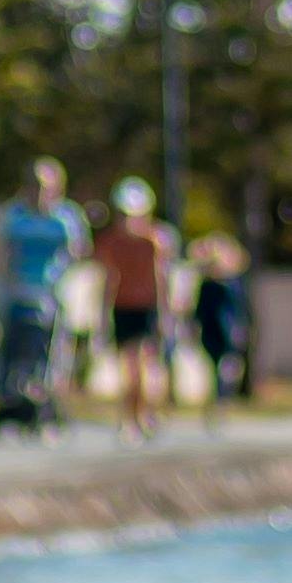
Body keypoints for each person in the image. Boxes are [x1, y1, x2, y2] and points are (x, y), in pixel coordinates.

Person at [0, 160, 81, 436]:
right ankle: (13, 408)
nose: (38, 192)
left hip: (52, 297)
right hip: (19, 294)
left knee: (50, 356)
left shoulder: (65, 218)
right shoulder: (15, 216)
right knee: (14, 355)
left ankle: (47, 410)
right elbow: (2, 251)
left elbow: (78, 252)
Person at [89, 179, 177, 437]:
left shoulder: (155, 240)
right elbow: (109, 279)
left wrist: (165, 313)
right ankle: (131, 416)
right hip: (123, 307)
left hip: (147, 308)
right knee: (129, 366)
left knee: (145, 365)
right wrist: (103, 314)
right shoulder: (112, 242)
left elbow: (161, 278)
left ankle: (144, 413)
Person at [188, 228, 253, 412]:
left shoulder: (232, 285)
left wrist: (242, 328)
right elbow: (199, 310)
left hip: (228, 331)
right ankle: (216, 399)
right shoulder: (207, 285)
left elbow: (240, 310)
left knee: (228, 367)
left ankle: (222, 399)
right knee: (214, 366)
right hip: (210, 331)